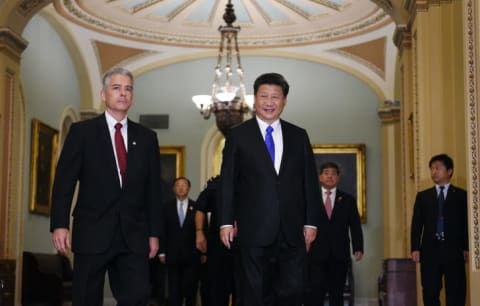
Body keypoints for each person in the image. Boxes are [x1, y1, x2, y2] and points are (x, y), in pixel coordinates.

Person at [50, 67, 163, 306]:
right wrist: (59, 224)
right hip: (92, 232)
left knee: (137, 298)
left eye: (128, 89)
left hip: (134, 235)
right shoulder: (82, 132)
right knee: (86, 299)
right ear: (103, 95)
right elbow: (64, 181)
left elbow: (153, 190)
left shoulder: (146, 138)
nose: (123, 93)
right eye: (116, 88)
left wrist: (154, 233)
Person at [219, 72, 321, 306]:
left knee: (293, 291)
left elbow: (309, 182)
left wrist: (311, 222)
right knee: (253, 293)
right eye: (264, 96)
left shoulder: (298, 135)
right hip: (252, 229)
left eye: (275, 97)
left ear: (284, 101)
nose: (269, 102)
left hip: (292, 229)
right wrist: (226, 221)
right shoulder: (238, 135)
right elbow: (228, 181)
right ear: (254, 99)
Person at [411, 153, 468, 306]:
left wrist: (467, 247)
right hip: (430, 251)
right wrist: (415, 247)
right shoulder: (423, 196)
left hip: (454, 251)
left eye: (438, 168)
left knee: (456, 292)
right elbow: (417, 223)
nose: (434, 172)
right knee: (430, 292)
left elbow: (466, 224)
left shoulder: (462, 196)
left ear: (449, 171)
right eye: (431, 169)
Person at [304, 162, 363, 306]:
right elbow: (303, 224)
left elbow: (355, 225)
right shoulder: (311, 198)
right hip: (315, 255)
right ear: (319, 177)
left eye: (333, 173)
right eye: (326, 173)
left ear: (338, 177)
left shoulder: (348, 200)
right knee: (314, 294)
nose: (330, 176)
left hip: (339, 255)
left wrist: (358, 247)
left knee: (337, 296)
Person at [195, 176, 237, 306]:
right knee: (217, 289)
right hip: (217, 245)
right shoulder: (215, 184)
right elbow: (200, 208)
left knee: (242, 288)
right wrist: (199, 233)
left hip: (245, 246)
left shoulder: (251, 180)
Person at [159, 177, 200, 306]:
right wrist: (162, 252)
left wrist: (203, 252)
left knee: (191, 289)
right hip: (172, 255)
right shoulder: (166, 207)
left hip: (192, 255)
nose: (181, 188)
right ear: (173, 189)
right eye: (178, 185)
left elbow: (202, 230)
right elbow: (162, 230)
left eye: (184, 185)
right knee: (173, 289)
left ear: (188, 188)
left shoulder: (197, 207)